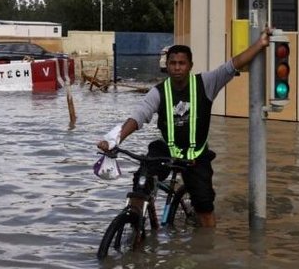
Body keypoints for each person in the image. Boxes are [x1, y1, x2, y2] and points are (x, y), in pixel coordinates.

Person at [97, 27, 272, 228]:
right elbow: (139, 115)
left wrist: (260, 44)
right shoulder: (158, 92)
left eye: (182, 63)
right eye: (173, 63)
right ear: (167, 66)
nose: (177, 67)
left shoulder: (205, 83)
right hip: (167, 151)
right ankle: (135, 226)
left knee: (204, 206)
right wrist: (115, 140)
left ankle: (208, 245)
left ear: (190, 66)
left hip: (196, 156)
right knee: (141, 182)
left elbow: (232, 66)